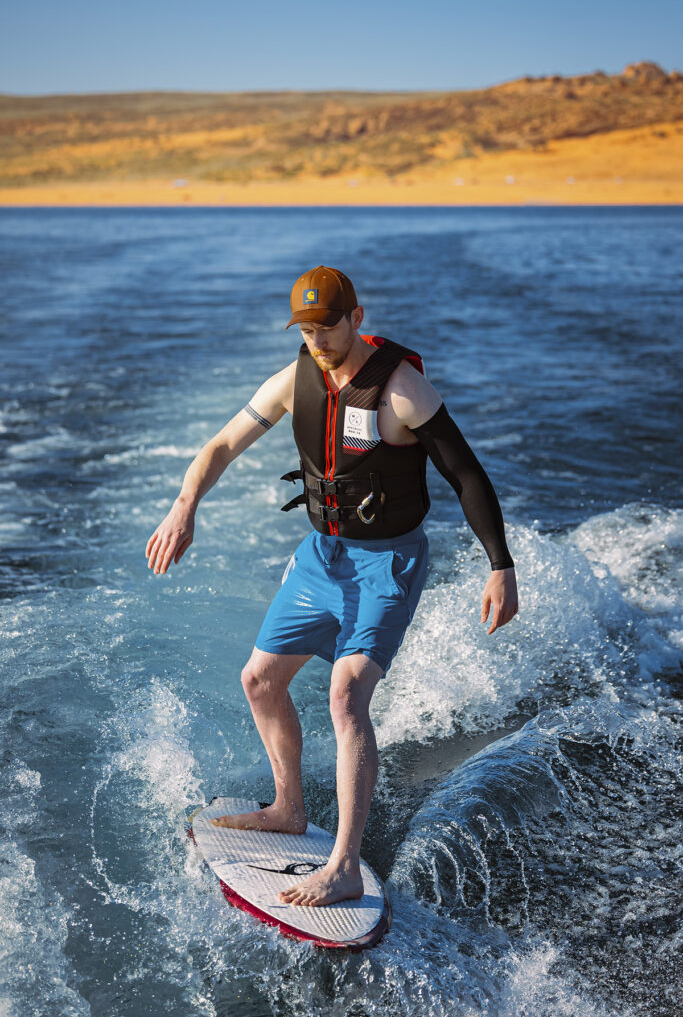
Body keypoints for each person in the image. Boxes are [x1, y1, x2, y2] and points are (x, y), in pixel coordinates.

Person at [146, 266, 518, 908]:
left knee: (346, 696)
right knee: (259, 680)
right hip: (323, 555)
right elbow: (223, 444)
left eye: (328, 326)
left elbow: (467, 476)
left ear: (357, 318)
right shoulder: (296, 381)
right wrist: (186, 504)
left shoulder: (403, 391)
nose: (317, 339)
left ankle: (344, 863)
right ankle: (288, 810)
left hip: (388, 563)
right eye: (306, 329)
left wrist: (500, 564)